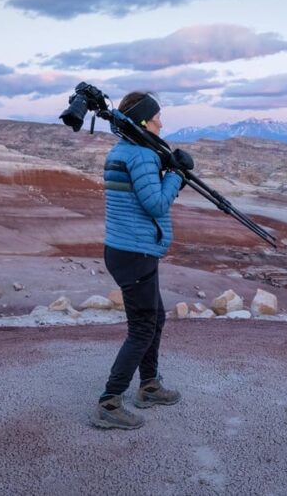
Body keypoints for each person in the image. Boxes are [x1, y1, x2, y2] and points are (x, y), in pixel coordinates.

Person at [91, 91, 193, 430]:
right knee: (143, 327)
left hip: (127, 250)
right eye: (157, 117)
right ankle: (109, 402)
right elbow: (156, 205)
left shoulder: (121, 150)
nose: (161, 123)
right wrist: (176, 175)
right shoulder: (141, 156)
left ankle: (149, 385)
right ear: (144, 122)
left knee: (156, 318)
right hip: (135, 253)